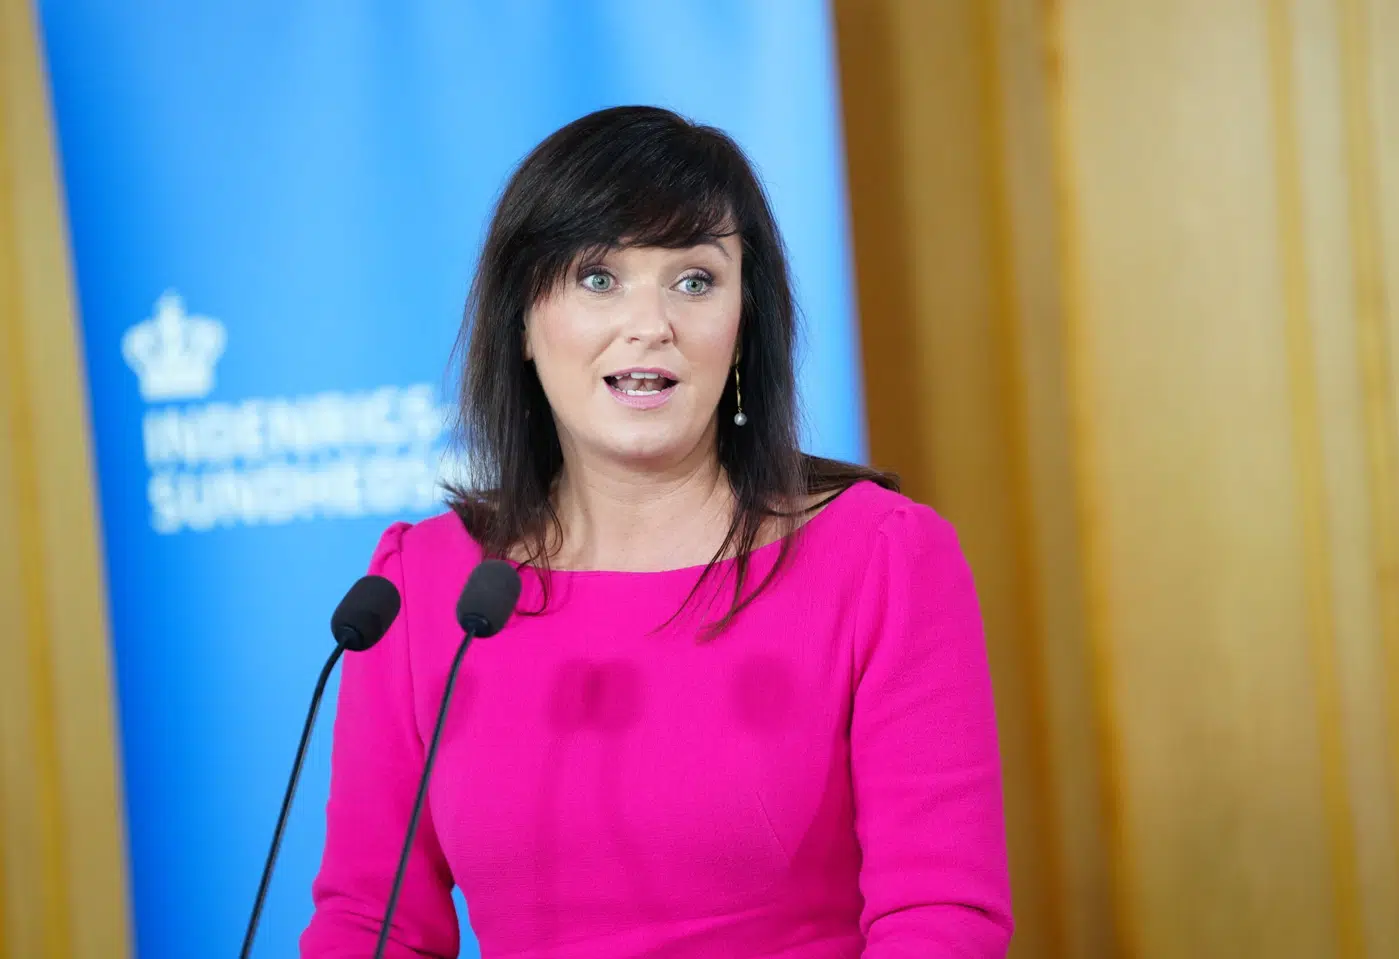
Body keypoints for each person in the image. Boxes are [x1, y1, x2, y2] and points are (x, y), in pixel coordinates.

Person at [300, 105, 1011, 958]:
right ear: (522, 319)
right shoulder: (422, 586)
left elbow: (938, 916)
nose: (651, 324)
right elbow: (368, 927)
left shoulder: (882, 557)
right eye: (599, 277)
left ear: (745, 324)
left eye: (695, 281)